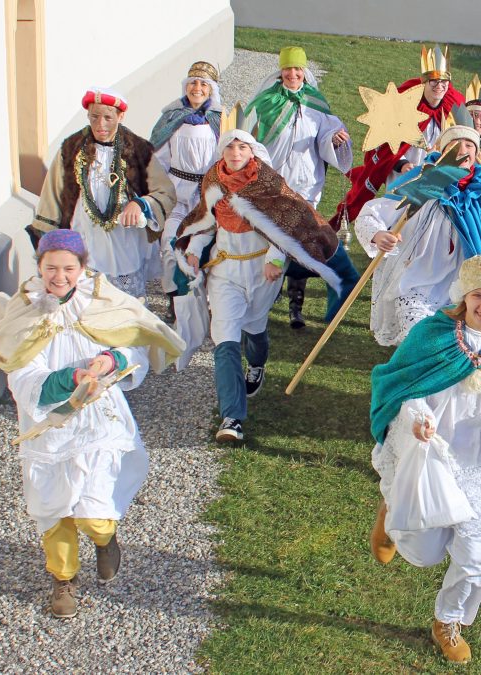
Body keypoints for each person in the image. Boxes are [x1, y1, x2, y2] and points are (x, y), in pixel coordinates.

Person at [0, 230, 184, 618]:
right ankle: (63, 581)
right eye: (51, 268)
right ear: (40, 267)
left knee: (93, 513)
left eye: (68, 268)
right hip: (51, 426)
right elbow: (22, 375)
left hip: (99, 423)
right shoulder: (25, 309)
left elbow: (134, 347)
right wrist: (67, 381)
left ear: (82, 267)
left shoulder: (103, 301)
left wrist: (110, 362)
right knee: (53, 508)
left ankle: (105, 537)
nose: (59, 276)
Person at [368, 254, 481, 664]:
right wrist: (418, 422)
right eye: (478, 297)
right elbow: (407, 388)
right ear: (463, 297)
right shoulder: (431, 336)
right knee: (425, 550)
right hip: (436, 453)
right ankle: (393, 513)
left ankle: (447, 622)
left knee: (477, 558)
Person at [174, 129, 359, 443]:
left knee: (255, 328)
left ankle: (257, 365)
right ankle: (232, 417)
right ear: (222, 152)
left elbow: (285, 223)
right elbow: (205, 222)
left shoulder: (269, 183)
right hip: (225, 272)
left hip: (262, 271)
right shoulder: (213, 182)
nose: (235, 152)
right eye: (230, 147)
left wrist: (275, 258)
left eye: (241, 146)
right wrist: (192, 252)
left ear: (252, 151)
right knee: (225, 339)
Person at [353, 106, 481, 346]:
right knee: (419, 339)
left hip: (466, 288)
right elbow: (372, 213)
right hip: (417, 282)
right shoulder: (421, 181)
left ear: (476, 153)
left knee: (462, 346)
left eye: (469, 147)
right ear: (444, 150)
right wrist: (378, 234)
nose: (462, 152)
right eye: (455, 146)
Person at [30, 87, 176, 299]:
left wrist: (141, 204)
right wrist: (47, 241)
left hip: (123, 242)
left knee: (124, 303)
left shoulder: (138, 149)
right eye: (94, 117)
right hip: (84, 236)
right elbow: (52, 195)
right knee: (84, 301)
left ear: (120, 116)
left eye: (108, 117)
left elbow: (165, 192)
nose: (101, 125)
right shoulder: (71, 148)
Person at [248, 46, 354, 329]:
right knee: (271, 239)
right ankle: (265, 298)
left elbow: (326, 135)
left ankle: (296, 304)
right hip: (275, 181)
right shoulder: (267, 102)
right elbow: (252, 137)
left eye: (298, 70)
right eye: (288, 69)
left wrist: (334, 139)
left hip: (306, 183)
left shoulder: (315, 104)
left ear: (304, 72)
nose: (293, 74)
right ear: (280, 71)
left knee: (298, 245)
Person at [329, 44, 466, 229]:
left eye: (444, 82)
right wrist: (401, 164)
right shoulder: (404, 103)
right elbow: (386, 142)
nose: (439, 86)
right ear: (424, 82)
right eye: (434, 81)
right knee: (396, 215)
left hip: (436, 174)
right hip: (403, 173)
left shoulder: (455, 104)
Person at [149, 62, 223, 314]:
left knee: (207, 245)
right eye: (193, 82)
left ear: (211, 90)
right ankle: (174, 297)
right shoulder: (172, 117)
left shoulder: (219, 121)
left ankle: (208, 300)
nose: (197, 88)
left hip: (207, 195)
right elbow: (158, 158)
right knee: (170, 243)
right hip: (178, 193)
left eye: (203, 84)